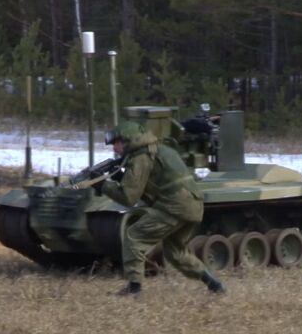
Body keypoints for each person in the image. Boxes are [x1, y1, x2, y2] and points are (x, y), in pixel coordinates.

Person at [93, 121, 225, 296]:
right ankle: (214, 285)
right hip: (193, 205)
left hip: (175, 206)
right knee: (176, 253)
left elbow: (128, 198)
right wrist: (121, 176)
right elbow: (149, 184)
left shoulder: (140, 157)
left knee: (134, 236)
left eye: (116, 143)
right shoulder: (158, 149)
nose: (114, 149)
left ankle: (134, 289)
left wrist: (103, 185)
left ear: (128, 140)